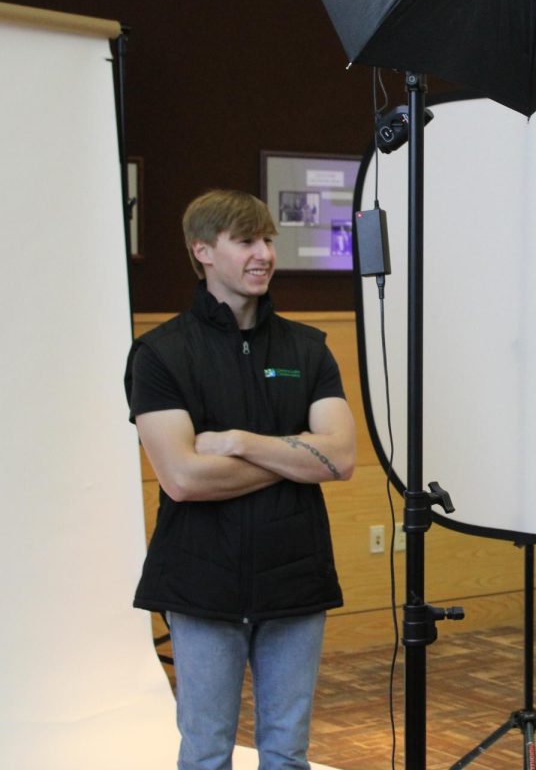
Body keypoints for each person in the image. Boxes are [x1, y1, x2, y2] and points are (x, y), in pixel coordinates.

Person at [125, 189, 356, 770]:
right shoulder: (160, 354)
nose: (264, 254)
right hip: (201, 583)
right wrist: (292, 457)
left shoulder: (308, 348)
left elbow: (343, 458)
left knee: (287, 751)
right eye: (246, 241)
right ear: (202, 250)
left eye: (269, 240)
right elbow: (181, 477)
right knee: (206, 753)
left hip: (295, 579)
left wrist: (239, 443)